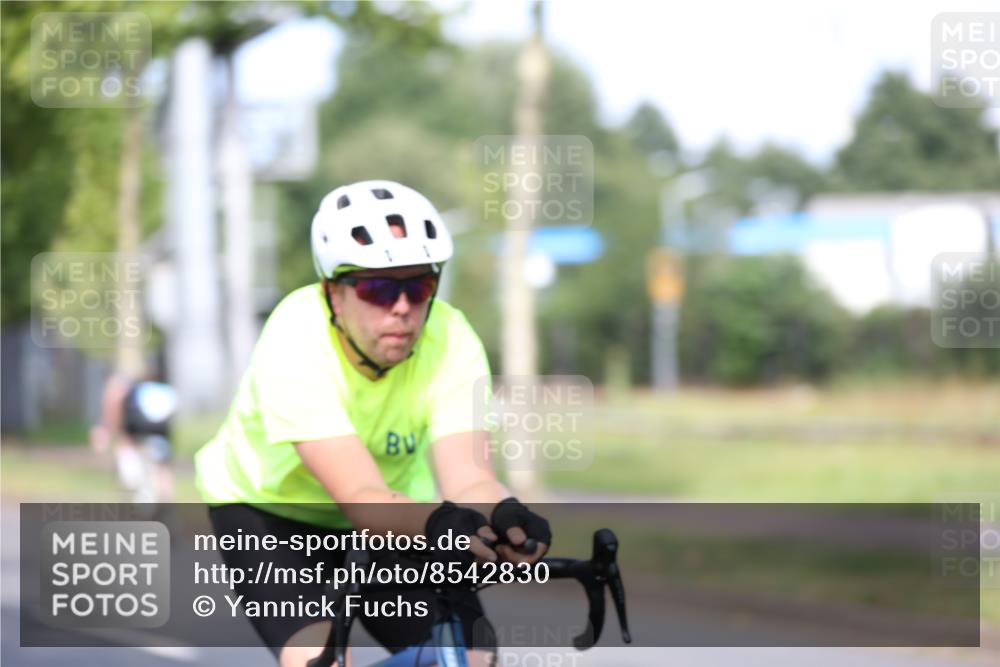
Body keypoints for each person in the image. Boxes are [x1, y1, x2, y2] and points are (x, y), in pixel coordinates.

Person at [194, 180, 552, 667]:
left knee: (469, 655)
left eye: (418, 286)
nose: (402, 307)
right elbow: (359, 497)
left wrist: (505, 514)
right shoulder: (295, 336)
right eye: (378, 288)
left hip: (394, 510)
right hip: (271, 513)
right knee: (317, 660)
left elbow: (468, 479)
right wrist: (440, 523)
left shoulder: (451, 337)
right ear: (333, 295)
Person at [91, 371, 178, 503]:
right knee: (160, 471)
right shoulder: (160, 392)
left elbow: (114, 419)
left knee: (135, 478)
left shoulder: (123, 393)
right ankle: (166, 507)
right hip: (158, 435)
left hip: (135, 439)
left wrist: (106, 431)